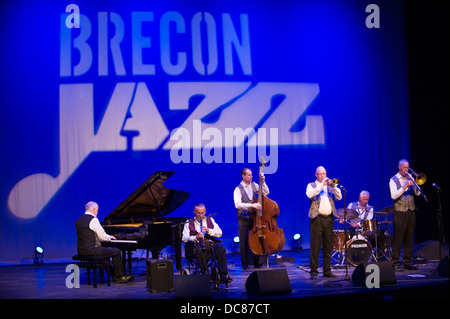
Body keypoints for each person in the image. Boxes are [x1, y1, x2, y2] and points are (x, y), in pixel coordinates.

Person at [75, 201, 132, 283]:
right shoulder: (93, 219)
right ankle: (118, 277)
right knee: (116, 251)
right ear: (94, 209)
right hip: (91, 250)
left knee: (105, 252)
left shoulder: (79, 220)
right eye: (97, 210)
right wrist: (110, 237)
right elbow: (102, 237)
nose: (97, 212)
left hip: (81, 250)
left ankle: (112, 275)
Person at [306, 166, 342, 279]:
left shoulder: (330, 187)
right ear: (316, 174)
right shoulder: (311, 185)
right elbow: (310, 195)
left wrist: (334, 186)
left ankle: (327, 270)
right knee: (315, 246)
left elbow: (339, 197)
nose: (323, 176)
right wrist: (321, 185)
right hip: (317, 219)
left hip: (329, 219)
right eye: (321, 174)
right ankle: (314, 271)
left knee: (328, 246)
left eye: (324, 173)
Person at [182, 203, 232, 284]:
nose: (201, 215)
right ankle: (205, 273)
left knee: (221, 249)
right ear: (194, 212)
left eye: (203, 213)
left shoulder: (210, 220)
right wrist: (195, 237)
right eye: (198, 213)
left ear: (205, 212)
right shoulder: (189, 222)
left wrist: (209, 230)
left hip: (210, 244)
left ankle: (223, 274)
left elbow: (219, 233)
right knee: (199, 250)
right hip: (197, 246)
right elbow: (184, 238)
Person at [233, 168, 269, 269]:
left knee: (256, 239)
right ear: (243, 176)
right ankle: (245, 263)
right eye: (249, 175)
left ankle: (256, 262)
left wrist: (263, 182)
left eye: (251, 175)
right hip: (243, 218)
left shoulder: (254, 185)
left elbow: (266, 192)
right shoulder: (238, 189)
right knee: (243, 240)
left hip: (254, 217)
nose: (251, 176)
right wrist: (252, 205)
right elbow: (238, 205)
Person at [389, 159, 420, 271]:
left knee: (409, 237)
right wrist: (405, 186)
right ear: (399, 167)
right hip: (399, 212)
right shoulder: (393, 179)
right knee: (398, 238)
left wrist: (414, 184)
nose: (407, 170)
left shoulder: (409, 178)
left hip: (411, 211)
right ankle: (395, 263)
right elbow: (394, 195)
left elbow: (417, 193)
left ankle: (407, 262)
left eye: (408, 168)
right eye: (404, 168)